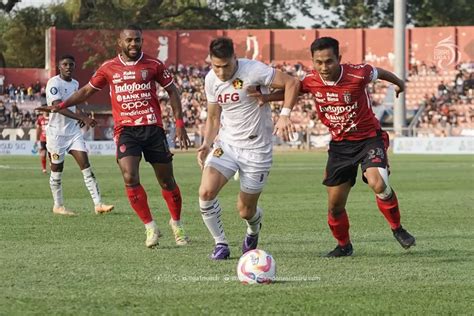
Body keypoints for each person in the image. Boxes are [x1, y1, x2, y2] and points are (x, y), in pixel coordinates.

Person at [252, 37, 416, 257]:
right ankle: (344, 246)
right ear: (312, 61)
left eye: (329, 61)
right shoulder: (311, 79)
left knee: (378, 183)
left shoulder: (359, 74)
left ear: (339, 58)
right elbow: (295, 90)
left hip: (369, 139)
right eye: (318, 62)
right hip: (340, 146)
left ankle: (398, 229)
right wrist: (268, 97)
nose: (324, 67)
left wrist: (399, 84)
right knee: (335, 206)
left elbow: (381, 72)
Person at [38, 25, 191, 248]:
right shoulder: (108, 67)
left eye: (137, 40)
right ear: (120, 43)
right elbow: (87, 91)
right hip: (126, 131)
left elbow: (173, 91)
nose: (133, 44)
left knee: (167, 181)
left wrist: (179, 124)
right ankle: (150, 227)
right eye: (129, 40)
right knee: (130, 177)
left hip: (153, 128)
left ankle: (176, 223)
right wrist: (61, 104)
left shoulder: (154, 64)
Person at [197, 37, 299, 260]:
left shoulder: (254, 70)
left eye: (226, 66)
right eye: (216, 66)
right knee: (205, 192)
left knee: (245, 210)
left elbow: (292, 83)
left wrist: (284, 115)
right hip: (227, 145)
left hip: (256, 150)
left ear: (235, 58)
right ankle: (220, 244)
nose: (221, 72)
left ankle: (253, 228)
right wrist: (206, 143)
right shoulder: (211, 80)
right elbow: (214, 117)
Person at [44, 54, 114, 216]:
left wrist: (82, 116)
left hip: (73, 132)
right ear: (59, 67)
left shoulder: (75, 84)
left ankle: (98, 204)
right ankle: (58, 205)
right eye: (65, 64)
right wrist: (81, 117)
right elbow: (57, 107)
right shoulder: (53, 83)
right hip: (56, 135)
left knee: (86, 166)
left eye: (71, 65)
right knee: (56, 171)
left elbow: (73, 105)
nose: (68, 67)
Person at [35, 109, 49, 174]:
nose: (46, 111)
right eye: (45, 110)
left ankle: (53, 166)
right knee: (43, 154)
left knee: (52, 155)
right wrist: (37, 139)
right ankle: (44, 168)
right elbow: (38, 129)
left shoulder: (52, 118)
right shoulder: (40, 119)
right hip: (43, 139)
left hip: (51, 139)